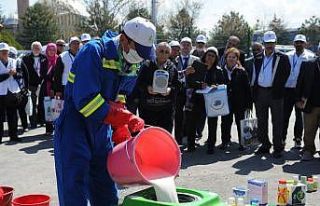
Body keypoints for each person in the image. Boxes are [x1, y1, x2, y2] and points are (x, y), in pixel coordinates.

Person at [54, 17, 156, 205]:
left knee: (106, 187)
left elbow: (122, 95)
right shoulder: (94, 52)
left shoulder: (133, 63)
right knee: (74, 188)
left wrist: (121, 123)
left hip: (102, 130)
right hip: (75, 127)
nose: (140, 57)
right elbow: (85, 100)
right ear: (124, 39)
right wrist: (119, 117)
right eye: (138, 50)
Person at [251, 31, 290, 158]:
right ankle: (265, 145)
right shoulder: (257, 57)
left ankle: (278, 147)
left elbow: (286, 73)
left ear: (275, 43)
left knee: (277, 121)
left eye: (272, 43)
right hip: (260, 92)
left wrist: (278, 87)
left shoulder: (282, 57)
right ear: (263, 43)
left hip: (275, 93)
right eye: (267, 43)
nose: (269, 46)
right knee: (261, 120)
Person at [283, 34, 315, 148]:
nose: (299, 44)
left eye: (301, 42)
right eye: (297, 42)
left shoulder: (310, 57)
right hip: (287, 90)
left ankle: (297, 139)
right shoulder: (287, 56)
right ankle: (282, 139)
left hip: (300, 91)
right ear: (293, 43)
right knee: (284, 116)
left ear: (305, 43)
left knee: (299, 117)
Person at [137, 42, 178, 132]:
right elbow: (139, 83)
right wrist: (147, 88)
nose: (164, 54)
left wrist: (170, 89)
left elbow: (177, 85)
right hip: (148, 109)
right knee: (148, 136)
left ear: (169, 54)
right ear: (156, 52)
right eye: (161, 51)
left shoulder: (172, 67)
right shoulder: (146, 65)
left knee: (164, 137)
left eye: (167, 52)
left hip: (166, 111)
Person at [220, 48, 252, 151]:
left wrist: (248, 105)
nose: (231, 59)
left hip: (239, 102)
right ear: (226, 58)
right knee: (225, 122)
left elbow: (247, 89)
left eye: (234, 57)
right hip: (226, 102)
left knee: (240, 123)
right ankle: (225, 142)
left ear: (237, 59)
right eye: (229, 57)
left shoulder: (242, 71)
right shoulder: (221, 70)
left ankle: (243, 143)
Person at [174, 37, 199, 145]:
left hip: (191, 92)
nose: (185, 46)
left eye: (188, 44)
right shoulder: (174, 59)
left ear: (191, 46)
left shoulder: (196, 60)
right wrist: (184, 72)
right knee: (178, 116)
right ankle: (178, 140)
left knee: (190, 116)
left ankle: (190, 139)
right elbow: (173, 75)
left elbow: (199, 75)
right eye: (183, 44)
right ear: (180, 46)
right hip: (178, 91)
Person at [201, 47, 225, 154]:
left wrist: (216, 86)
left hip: (213, 100)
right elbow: (193, 81)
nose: (210, 57)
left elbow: (223, 84)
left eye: (212, 56)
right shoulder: (199, 67)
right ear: (205, 56)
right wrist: (200, 84)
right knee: (197, 121)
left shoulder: (218, 70)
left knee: (212, 123)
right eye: (208, 55)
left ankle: (211, 144)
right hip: (199, 99)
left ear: (216, 58)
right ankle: (192, 142)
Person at [296, 56, 320, 161]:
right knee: (309, 130)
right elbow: (300, 82)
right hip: (311, 103)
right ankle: (308, 150)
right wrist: (298, 99)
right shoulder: (308, 64)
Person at [21, 41, 48, 129]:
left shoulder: (44, 58)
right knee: (32, 104)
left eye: (38, 48)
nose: (36, 49)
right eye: (34, 48)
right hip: (31, 85)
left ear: (40, 49)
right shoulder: (26, 58)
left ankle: (41, 121)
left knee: (41, 103)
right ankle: (33, 123)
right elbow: (24, 73)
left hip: (41, 84)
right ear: (32, 49)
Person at [0, 43, 22, 143]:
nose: (5, 53)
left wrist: (15, 73)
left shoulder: (14, 61)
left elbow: (20, 75)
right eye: (2, 52)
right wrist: (8, 74)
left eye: (6, 51)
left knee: (13, 115)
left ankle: (14, 135)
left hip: (13, 91)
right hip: (1, 92)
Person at [38, 43, 59, 135]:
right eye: (50, 50)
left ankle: (58, 127)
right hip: (46, 87)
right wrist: (51, 79)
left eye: (53, 50)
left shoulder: (59, 60)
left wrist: (54, 85)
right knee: (48, 108)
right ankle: (49, 129)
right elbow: (43, 75)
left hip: (57, 87)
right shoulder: (43, 61)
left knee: (57, 107)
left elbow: (59, 74)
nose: (51, 51)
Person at [9, 46, 29, 133]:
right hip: (9, 90)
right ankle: (13, 128)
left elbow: (25, 75)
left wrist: (26, 88)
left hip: (21, 89)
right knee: (12, 111)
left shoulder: (19, 61)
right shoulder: (4, 62)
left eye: (11, 54)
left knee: (21, 109)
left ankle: (24, 126)